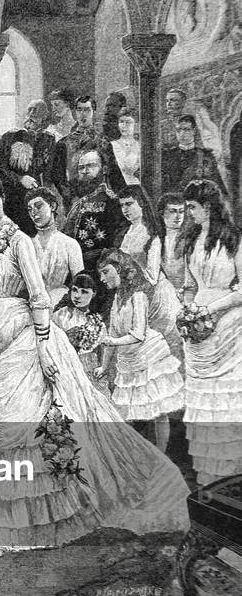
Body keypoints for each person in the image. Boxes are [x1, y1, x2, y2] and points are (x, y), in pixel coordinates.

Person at [0, 169, 189, 554]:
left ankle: (27, 528)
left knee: (27, 426)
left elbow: (38, 296)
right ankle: (5, 520)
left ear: (2, 199)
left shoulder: (20, 242)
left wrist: (44, 348)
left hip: (25, 340)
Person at [179, 179, 242, 485]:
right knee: (203, 402)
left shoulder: (233, 239)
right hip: (198, 331)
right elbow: (190, 286)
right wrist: (188, 310)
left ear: (207, 206)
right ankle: (207, 477)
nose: (189, 213)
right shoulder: (191, 239)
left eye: (192, 207)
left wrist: (211, 310)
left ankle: (230, 477)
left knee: (225, 399)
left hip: (228, 325)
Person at [97, 249, 184, 453]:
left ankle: (161, 453)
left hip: (148, 356)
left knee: (158, 410)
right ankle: (130, 453)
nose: (102, 279)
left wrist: (112, 341)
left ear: (119, 269)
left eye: (106, 272)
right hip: (129, 359)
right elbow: (112, 333)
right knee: (124, 411)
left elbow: (138, 334)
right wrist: (104, 366)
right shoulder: (117, 298)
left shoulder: (138, 296)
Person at [116, 184, 182, 351]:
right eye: (122, 205)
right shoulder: (127, 231)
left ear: (141, 203)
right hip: (133, 293)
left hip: (155, 295)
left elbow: (152, 276)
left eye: (129, 204)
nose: (125, 209)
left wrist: (130, 274)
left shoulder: (151, 233)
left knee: (163, 344)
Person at [0, 100, 64, 235]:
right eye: (29, 110)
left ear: (44, 116)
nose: (31, 114)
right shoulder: (10, 136)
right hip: (13, 199)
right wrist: (20, 179)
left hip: (38, 199)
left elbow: (52, 172)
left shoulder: (49, 139)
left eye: (36, 110)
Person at [63, 150, 126, 276]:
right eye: (81, 167)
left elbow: (120, 238)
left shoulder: (113, 201)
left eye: (91, 166)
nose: (85, 171)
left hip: (98, 269)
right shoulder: (78, 202)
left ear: (104, 169)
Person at [26, 187, 84, 309]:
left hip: (59, 305)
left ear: (52, 206)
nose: (34, 213)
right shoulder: (27, 245)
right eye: (30, 209)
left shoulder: (69, 244)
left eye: (39, 206)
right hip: (31, 306)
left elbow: (80, 283)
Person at [53, 272, 109, 395]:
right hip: (64, 367)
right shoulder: (61, 315)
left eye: (84, 292)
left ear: (94, 293)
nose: (77, 296)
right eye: (74, 290)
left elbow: (103, 349)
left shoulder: (97, 321)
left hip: (88, 369)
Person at [161, 114, 227, 197]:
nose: (182, 133)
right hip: (173, 201)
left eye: (186, 129)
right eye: (178, 130)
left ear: (194, 131)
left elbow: (217, 187)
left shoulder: (206, 156)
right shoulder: (167, 155)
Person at [156, 192, 188, 291]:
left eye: (181, 212)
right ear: (162, 213)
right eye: (173, 211)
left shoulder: (188, 239)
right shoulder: (157, 239)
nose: (178, 216)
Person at [110, 108, 141, 186]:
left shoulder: (139, 146)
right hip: (116, 185)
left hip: (135, 185)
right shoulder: (112, 145)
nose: (124, 126)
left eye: (128, 122)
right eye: (121, 122)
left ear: (136, 125)